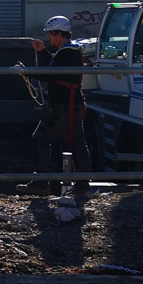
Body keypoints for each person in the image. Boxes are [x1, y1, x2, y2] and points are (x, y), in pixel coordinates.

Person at [19, 15, 91, 194]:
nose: (48, 38)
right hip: (73, 105)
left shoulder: (67, 53)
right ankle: (82, 185)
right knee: (77, 143)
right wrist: (43, 51)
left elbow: (51, 74)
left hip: (63, 107)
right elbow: (56, 68)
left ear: (58, 33)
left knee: (41, 139)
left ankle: (42, 183)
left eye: (50, 35)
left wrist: (26, 72)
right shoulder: (70, 51)